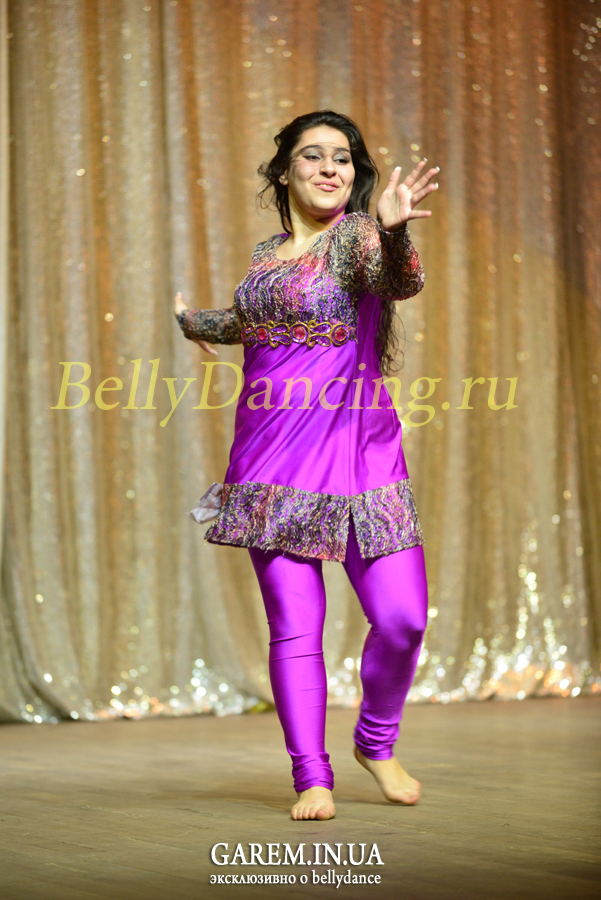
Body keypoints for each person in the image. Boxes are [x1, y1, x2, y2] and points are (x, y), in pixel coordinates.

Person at [174, 110, 438, 821]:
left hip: (360, 458)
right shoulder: (267, 256)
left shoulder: (357, 238)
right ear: (283, 171)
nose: (330, 168)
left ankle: (375, 742)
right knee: (295, 628)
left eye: (343, 158)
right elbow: (249, 322)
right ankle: (311, 777)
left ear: (355, 174)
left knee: (403, 620)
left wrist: (393, 231)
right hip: (272, 462)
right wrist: (191, 322)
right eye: (313, 156)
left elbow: (397, 280)